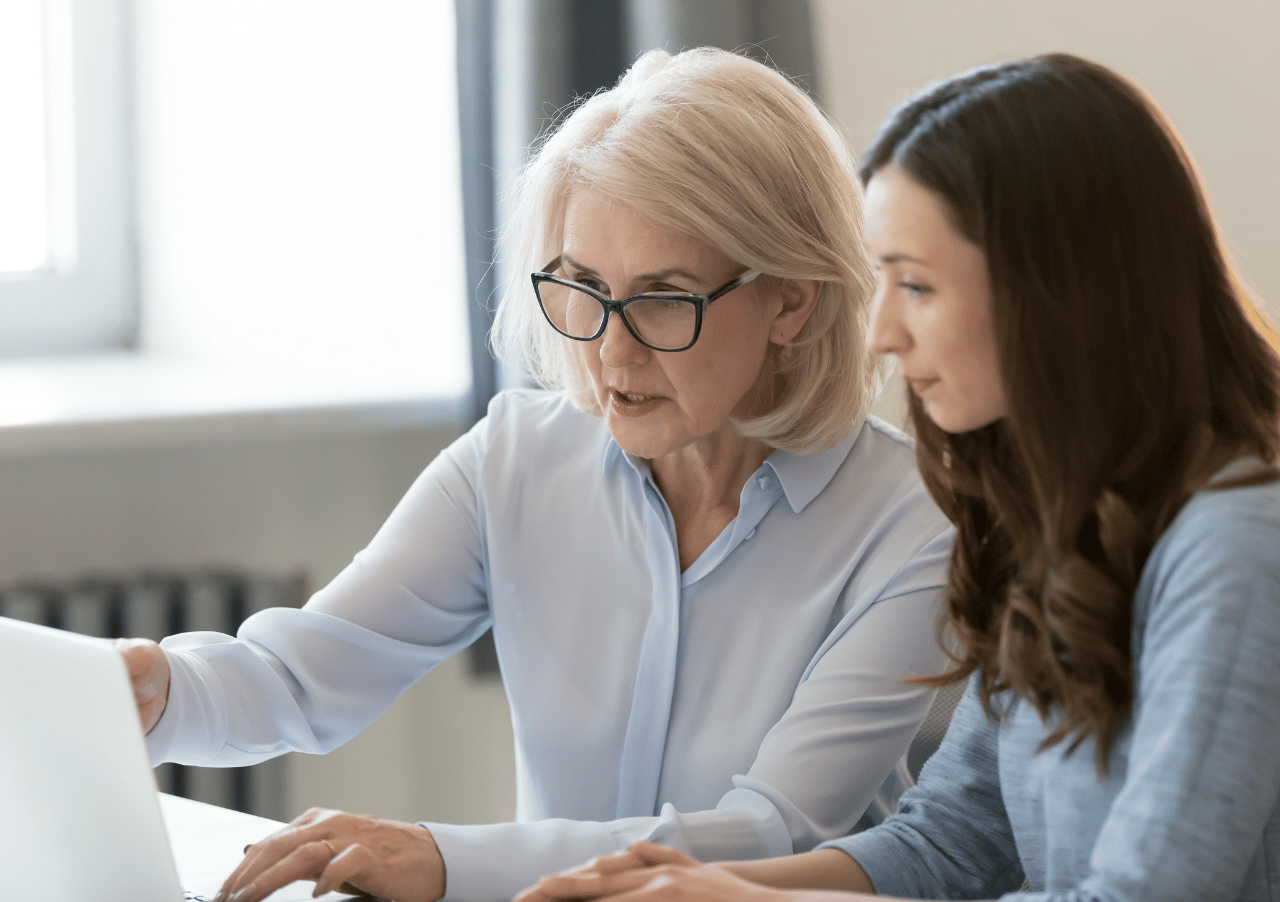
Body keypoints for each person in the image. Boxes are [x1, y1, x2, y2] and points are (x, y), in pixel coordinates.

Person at [115, 47, 954, 902]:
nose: (610, 351)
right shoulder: (516, 459)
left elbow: (772, 830)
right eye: (584, 287)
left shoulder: (913, 526)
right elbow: (302, 673)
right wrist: (157, 687)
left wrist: (443, 860)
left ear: (792, 299)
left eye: (663, 297)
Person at [518, 52, 1280, 902]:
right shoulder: (1060, 525)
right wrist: (701, 883)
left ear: (1058, 294)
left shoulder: (1235, 543)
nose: (881, 331)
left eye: (915, 286)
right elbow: (951, 843)